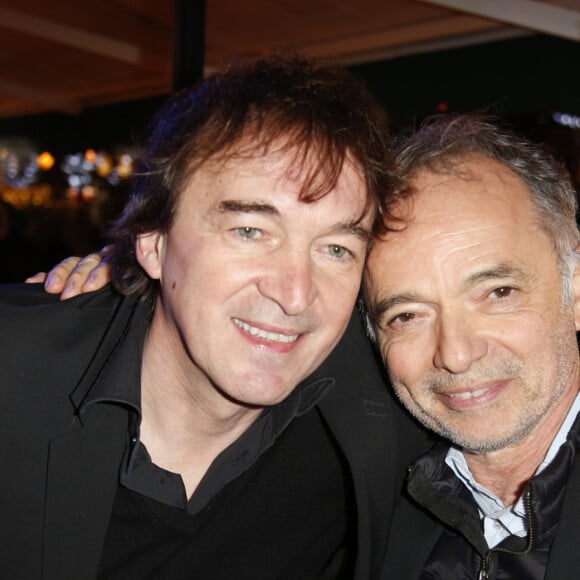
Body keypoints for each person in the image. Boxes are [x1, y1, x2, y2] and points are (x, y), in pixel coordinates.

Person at [1, 55, 427, 580]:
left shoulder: (384, 411)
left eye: (336, 249)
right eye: (249, 231)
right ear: (154, 242)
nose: (295, 294)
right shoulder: (14, 377)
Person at [363, 114, 580, 579]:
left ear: (575, 290)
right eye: (406, 316)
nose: (456, 354)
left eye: (498, 292)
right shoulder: (365, 506)